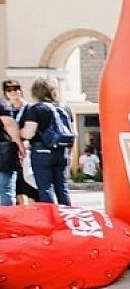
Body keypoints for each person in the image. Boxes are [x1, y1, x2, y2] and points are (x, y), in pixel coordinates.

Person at [19, 76, 73, 206]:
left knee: (45, 188)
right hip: (62, 151)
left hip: (42, 151)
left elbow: (29, 132)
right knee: (62, 188)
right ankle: (67, 218)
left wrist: (19, 132)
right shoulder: (65, 108)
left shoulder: (36, 109)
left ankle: (52, 219)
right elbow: (73, 133)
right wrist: (69, 154)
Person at [4, 80, 37, 204]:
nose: (13, 92)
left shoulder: (30, 108)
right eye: (9, 90)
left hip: (27, 149)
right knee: (16, 185)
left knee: (29, 184)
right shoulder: (6, 109)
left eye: (16, 89)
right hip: (10, 151)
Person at [0, 95, 19, 205]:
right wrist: (19, 145)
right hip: (3, 149)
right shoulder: (2, 104)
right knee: (6, 190)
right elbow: (8, 123)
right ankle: (6, 221)